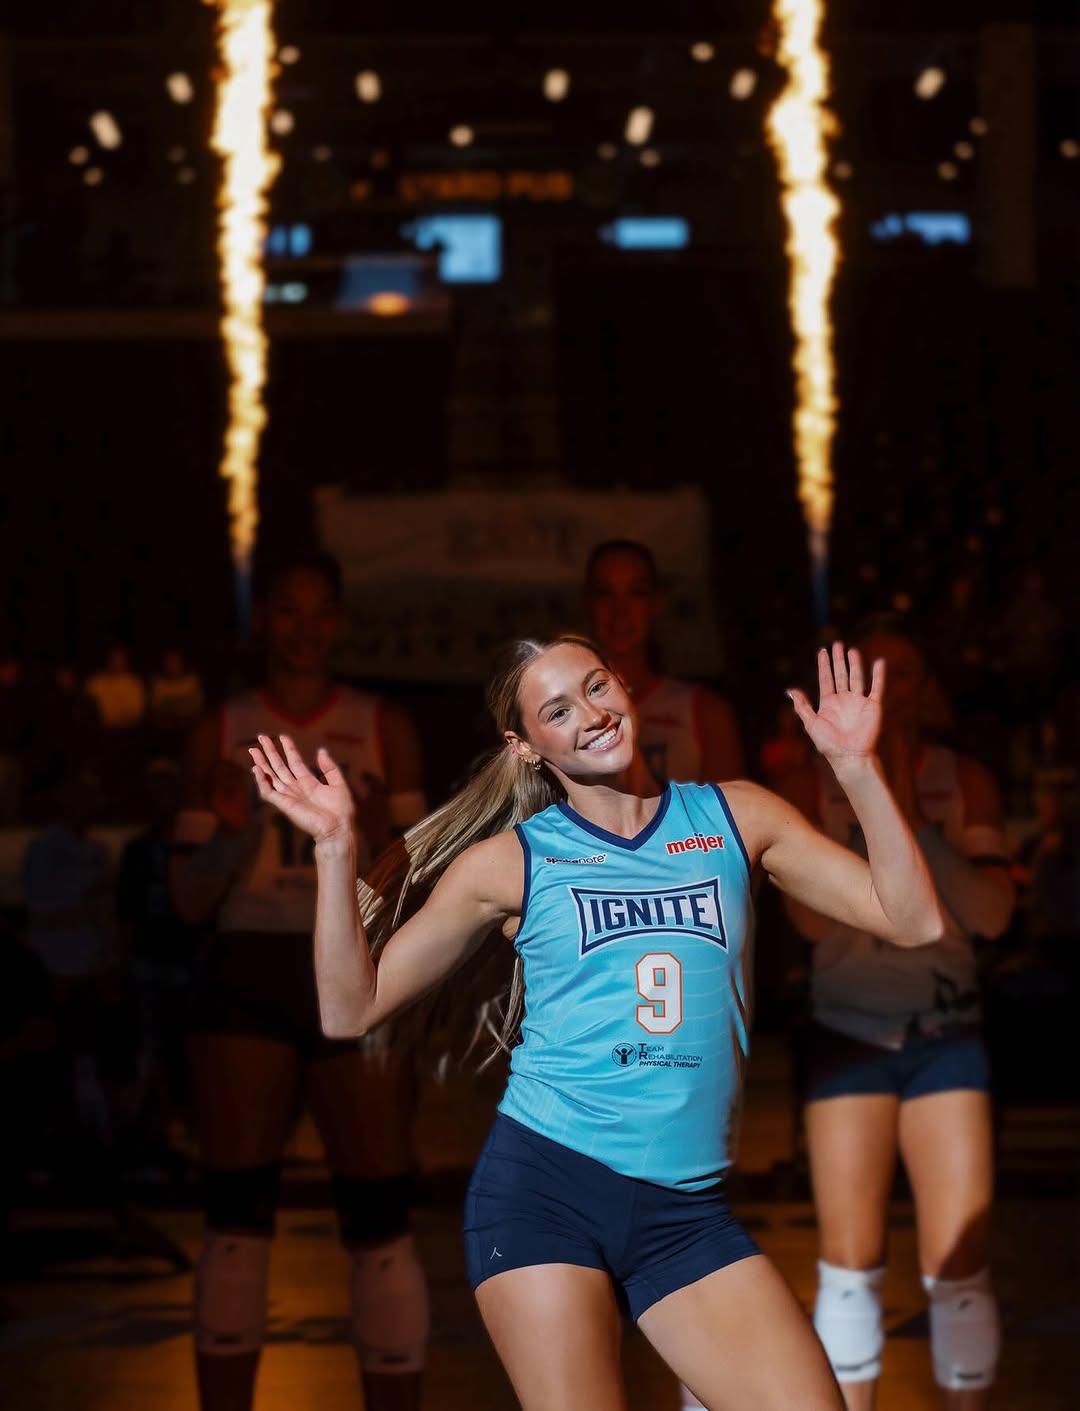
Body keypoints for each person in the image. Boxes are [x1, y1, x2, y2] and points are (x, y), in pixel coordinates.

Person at [249, 633, 944, 1411]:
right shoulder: (510, 862)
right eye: (556, 710)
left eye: (596, 685)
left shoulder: (735, 816)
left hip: (685, 1212)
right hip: (545, 1194)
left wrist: (855, 767)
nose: (591, 713)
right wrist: (335, 848)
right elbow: (350, 1008)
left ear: (625, 685)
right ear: (524, 745)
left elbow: (911, 919)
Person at [171, 551, 430, 1411]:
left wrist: (372, 855)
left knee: (380, 1220)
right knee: (235, 1220)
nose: (305, 628)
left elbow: (416, 881)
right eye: (288, 608)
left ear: (341, 620)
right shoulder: (221, 726)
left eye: (321, 611)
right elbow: (188, 898)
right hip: (250, 961)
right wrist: (230, 836)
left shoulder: (382, 724)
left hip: (352, 961)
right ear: (264, 618)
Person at [773, 616, 1015, 1411]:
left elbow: (992, 914)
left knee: (959, 1271)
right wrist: (867, 798)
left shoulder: (963, 781)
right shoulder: (808, 786)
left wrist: (910, 823)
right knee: (848, 1268)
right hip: (848, 1033)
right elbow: (811, 923)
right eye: (869, 668)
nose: (885, 688)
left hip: (946, 1034)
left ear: (926, 689)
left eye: (902, 671)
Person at [583, 540, 743, 786]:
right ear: (587, 603)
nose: (619, 611)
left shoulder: (705, 712)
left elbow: (725, 807)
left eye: (636, 592)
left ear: (656, 603)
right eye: (604, 592)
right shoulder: (563, 713)